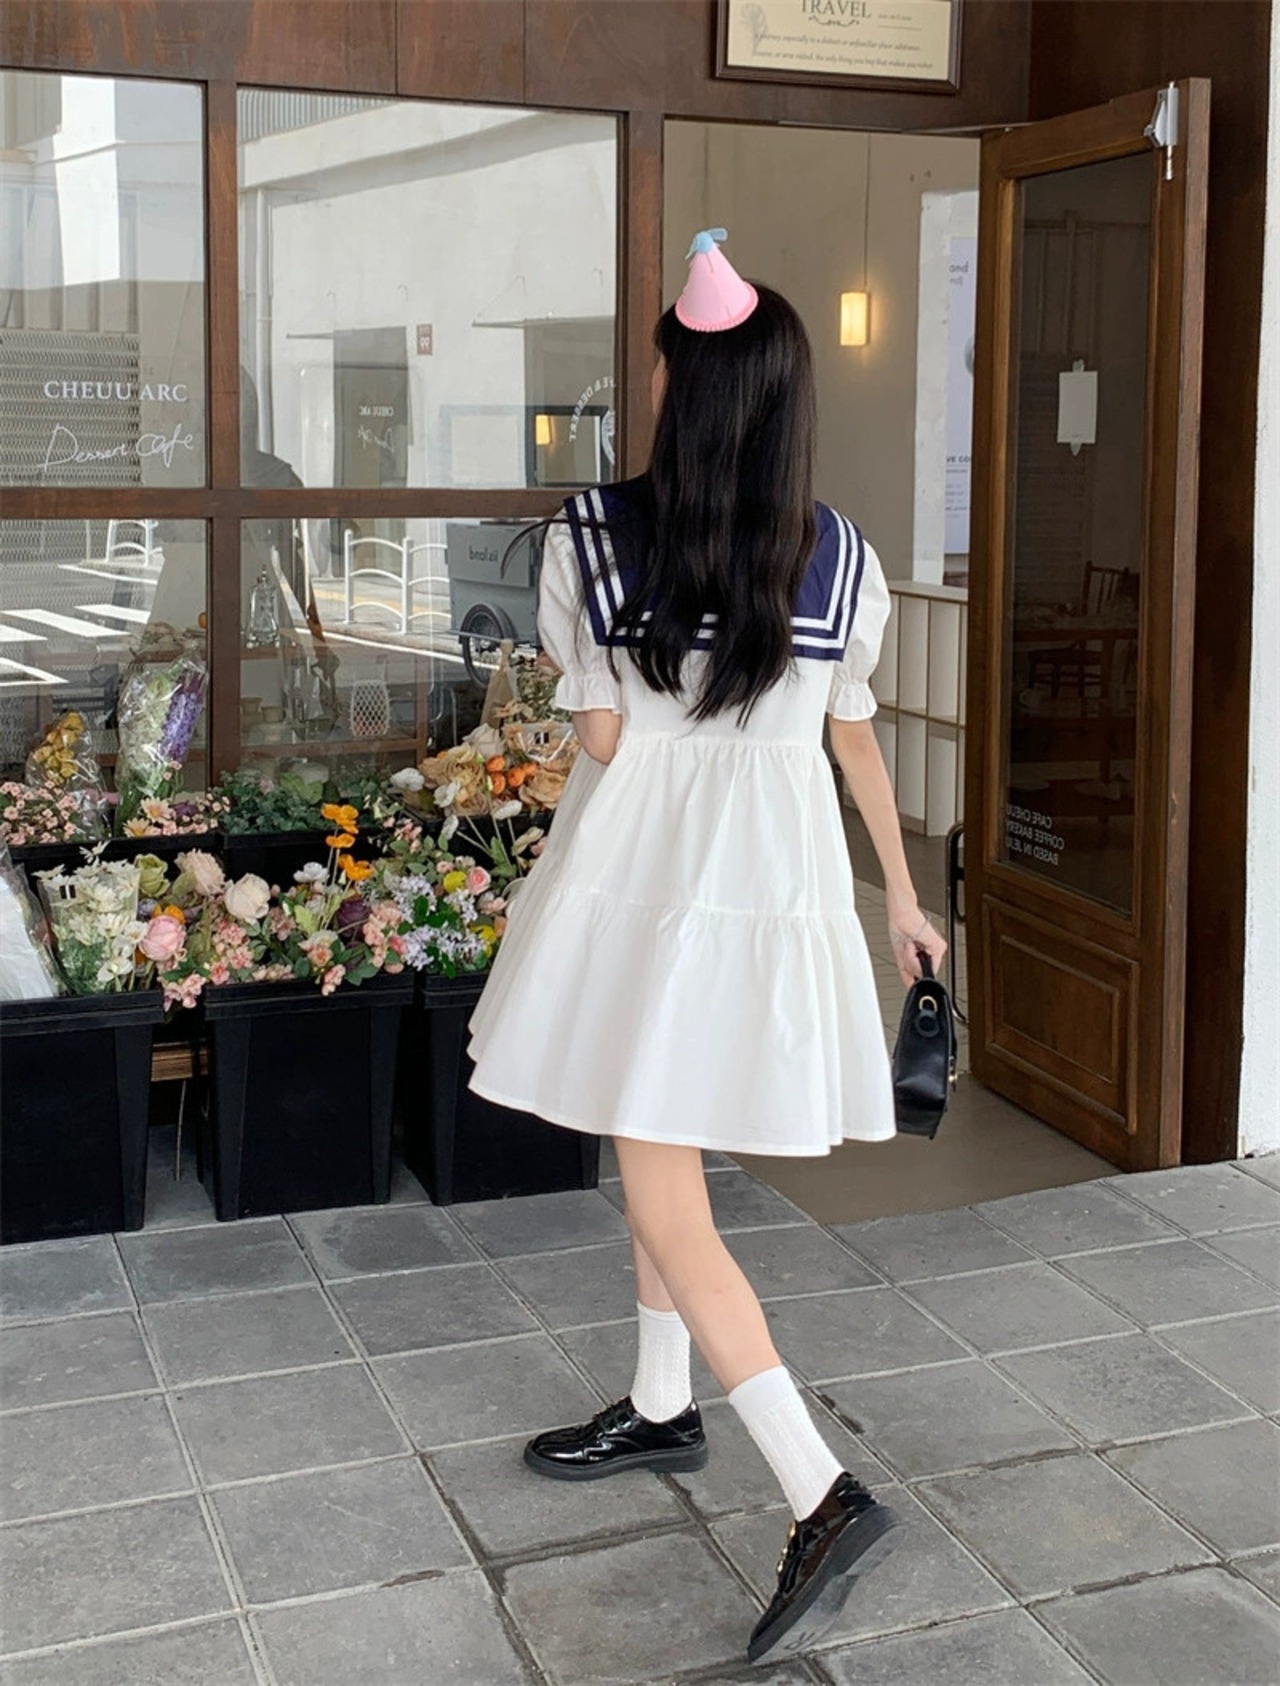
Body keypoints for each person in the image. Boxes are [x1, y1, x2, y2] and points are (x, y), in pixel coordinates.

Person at [467, 230, 948, 1665]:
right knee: (654, 1138)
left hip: (646, 884)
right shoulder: (841, 554)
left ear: (684, 385)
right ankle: (662, 1400)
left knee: (665, 1185)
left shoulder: (596, 535)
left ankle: (818, 1490)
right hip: (771, 889)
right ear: (785, 401)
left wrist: (629, 719)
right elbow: (851, 735)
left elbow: (606, 738)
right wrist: (901, 893)